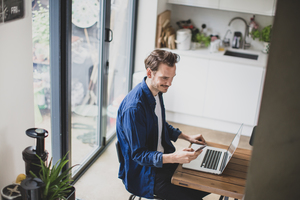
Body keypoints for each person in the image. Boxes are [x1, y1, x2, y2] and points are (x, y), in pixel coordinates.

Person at [116, 49, 209, 200]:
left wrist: (187, 137)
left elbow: (159, 123)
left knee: (205, 183)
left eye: (172, 78)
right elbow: (139, 155)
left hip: (162, 161)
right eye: (165, 78)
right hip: (146, 175)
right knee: (195, 192)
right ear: (149, 73)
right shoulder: (134, 109)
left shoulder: (156, 91)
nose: (170, 84)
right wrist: (175, 157)